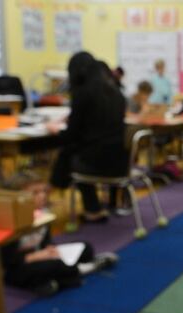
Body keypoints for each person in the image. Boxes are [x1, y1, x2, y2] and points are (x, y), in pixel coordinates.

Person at [1, 172, 117, 295]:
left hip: (41, 255)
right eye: (35, 193)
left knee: (85, 248)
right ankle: (86, 268)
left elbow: (45, 239)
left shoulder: (42, 213)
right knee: (55, 266)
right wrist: (35, 256)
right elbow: (6, 259)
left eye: (44, 191)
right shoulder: (9, 220)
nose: (42, 196)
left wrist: (50, 248)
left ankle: (53, 281)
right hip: (20, 264)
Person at [48, 51, 128, 223]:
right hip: (121, 160)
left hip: (96, 161)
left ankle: (54, 196)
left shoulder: (82, 94)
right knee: (74, 152)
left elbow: (72, 135)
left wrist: (55, 130)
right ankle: (89, 205)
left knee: (67, 154)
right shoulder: (116, 92)